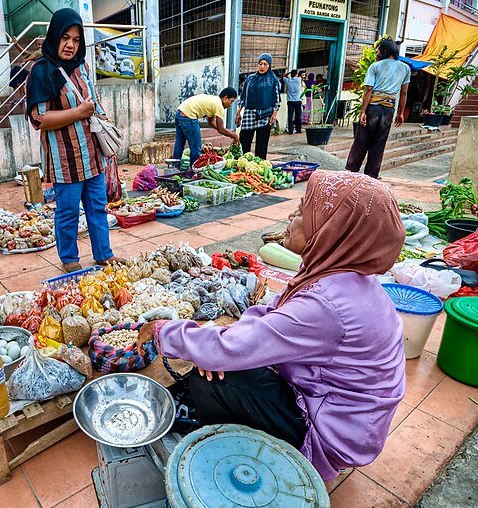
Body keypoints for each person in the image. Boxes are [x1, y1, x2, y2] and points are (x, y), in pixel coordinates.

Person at [138, 170, 407, 481]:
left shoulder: (327, 305)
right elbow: (270, 310)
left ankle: (245, 461)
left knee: (210, 382)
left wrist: (161, 331)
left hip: (333, 433)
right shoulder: (338, 274)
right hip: (342, 412)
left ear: (333, 229)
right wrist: (227, 346)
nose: (292, 215)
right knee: (220, 361)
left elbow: (232, 347)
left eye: (305, 210)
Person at [26, 8, 122, 273]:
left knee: (97, 209)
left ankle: (104, 253)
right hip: (64, 160)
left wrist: (106, 135)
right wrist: (78, 113)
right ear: (54, 35)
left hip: (92, 154)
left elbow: (95, 102)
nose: (70, 44)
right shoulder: (41, 71)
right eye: (65, 37)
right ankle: (69, 259)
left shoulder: (82, 66)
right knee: (67, 213)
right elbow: (39, 119)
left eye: (76, 39)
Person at [346, 39, 410, 179]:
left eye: (378, 51)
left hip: (373, 108)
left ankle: (352, 170)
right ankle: (372, 175)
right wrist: (400, 113)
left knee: (362, 140)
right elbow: (403, 93)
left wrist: (362, 111)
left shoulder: (375, 66)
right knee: (379, 143)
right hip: (389, 110)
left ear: (385, 51)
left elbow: (369, 89)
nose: (376, 54)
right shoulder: (405, 68)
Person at [173, 89, 240, 166]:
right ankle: (195, 170)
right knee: (196, 146)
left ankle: (175, 167)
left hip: (180, 112)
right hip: (188, 116)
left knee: (180, 142)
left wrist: (227, 131)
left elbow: (211, 123)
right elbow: (221, 129)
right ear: (225, 98)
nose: (230, 105)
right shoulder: (219, 105)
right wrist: (234, 136)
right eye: (231, 101)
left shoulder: (214, 101)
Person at [235, 54, 280, 159]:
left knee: (262, 144)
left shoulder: (273, 80)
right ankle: (243, 163)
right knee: (244, 140)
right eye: (260, 64)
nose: (262, 67)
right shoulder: (250, 79)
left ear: (269, 66)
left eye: (265, 64)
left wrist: (274, 113)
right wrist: (238, 112)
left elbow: (277, 99)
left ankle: (259, 165)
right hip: (249, 113)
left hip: (265, 114)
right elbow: (243, 96)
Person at [10, 37, 43, 103]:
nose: (40, 46)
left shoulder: (47, 51)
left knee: (18, 70)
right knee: (16, 69)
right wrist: (16, 45)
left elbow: (39, 53)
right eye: (38, 44)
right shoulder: (36, 54)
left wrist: (26, 60)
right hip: (34, 75)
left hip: (42, 77)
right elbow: (27, 54)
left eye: (42, 44)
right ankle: (19, 95)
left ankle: (23, 96)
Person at [282, 70, 303, 134]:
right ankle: (298, 130)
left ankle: (290, 130)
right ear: (296, 74)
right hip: (298, 101)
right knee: (298, 116)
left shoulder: (288, 81)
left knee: (290, 116)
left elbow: (283, 76)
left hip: (290, 101)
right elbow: (300, 76)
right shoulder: (299, 80)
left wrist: (288, 73)